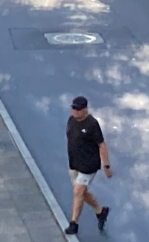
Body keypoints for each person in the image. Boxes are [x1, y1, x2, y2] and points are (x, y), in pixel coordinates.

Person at [65, 96, 111, 236]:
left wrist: (106, 166)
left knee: (78, 192)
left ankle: (74, 224)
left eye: (78, 109)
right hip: (74, 164)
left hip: (88, 165)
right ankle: (100, 211)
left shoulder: (92, 124)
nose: (75, 111)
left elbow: (101, 145)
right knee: (82, 193)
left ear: (85, 110)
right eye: (73, 108)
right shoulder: (71, 120)